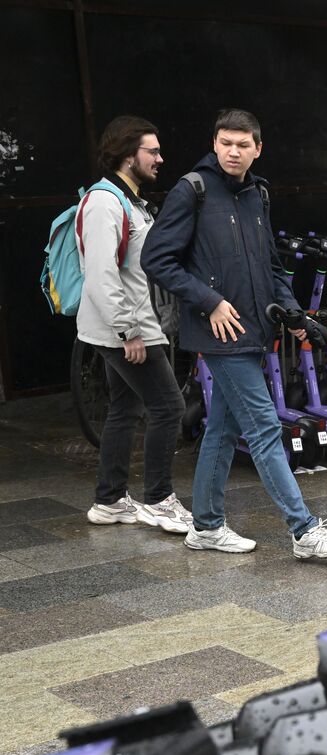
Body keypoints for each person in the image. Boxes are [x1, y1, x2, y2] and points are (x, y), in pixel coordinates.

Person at [142, 109, 327, 560]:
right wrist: (209, 301)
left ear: (258, 148)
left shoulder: (257, 194)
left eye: (242, 144)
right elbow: (156, 259)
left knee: (222, 429)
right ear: (214, 143)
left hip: (255, 330)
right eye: (225, 143)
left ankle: (206, 526)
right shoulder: (191, 190)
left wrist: (294, 315)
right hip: (219, 331)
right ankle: (304, 531)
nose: (233, 152)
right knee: (263, 428)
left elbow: (270, 267)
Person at [76, 116, 192, 534]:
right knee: (169, 407)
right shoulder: (106, 202)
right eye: (152, 151)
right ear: (128, 156)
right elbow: (102, 275)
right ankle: (159, 500)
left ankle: (109, 501)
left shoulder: (130, 200)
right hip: (124, 330)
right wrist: (129, 332)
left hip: (130, 326)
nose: (160, 158)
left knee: (124, 409)